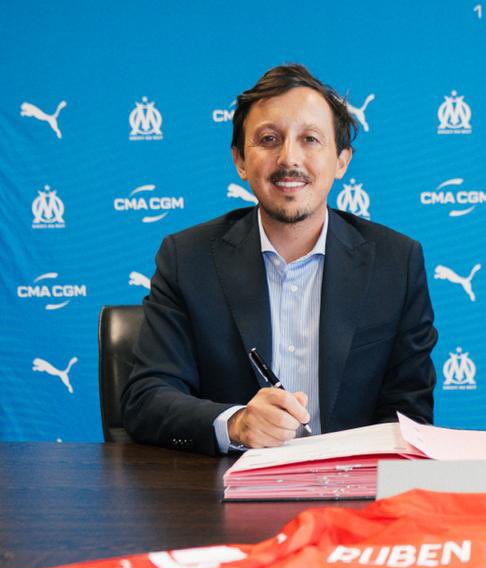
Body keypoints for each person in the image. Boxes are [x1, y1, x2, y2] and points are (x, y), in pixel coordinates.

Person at [122, 64, 437, 455]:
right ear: (240, 160)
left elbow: (410, 414)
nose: (289, 158)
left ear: (342, 161)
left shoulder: (395, 263)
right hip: (224, 484)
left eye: (310, 139)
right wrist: (236, 424)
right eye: (269, 139)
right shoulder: (188, 259)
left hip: (350, 484)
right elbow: (146, 399)